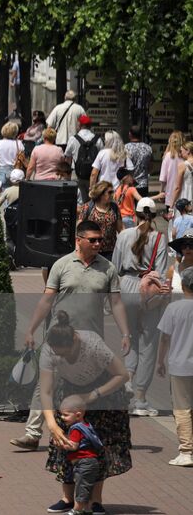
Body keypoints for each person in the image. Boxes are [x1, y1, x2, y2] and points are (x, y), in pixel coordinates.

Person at [14, 220, 132, 450]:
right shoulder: (62, 265)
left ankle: (84, 433)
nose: (99, 243)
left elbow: (116, 303)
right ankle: (32, 433)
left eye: (101, 240)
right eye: (93, 240)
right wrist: (31, 329)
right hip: (58, 338)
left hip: (89, 342)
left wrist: (125, 333)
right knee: (45, 385)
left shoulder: (107, 268)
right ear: (79, 240)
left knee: (85, 383)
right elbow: (47, 300)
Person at [36, 311, 132, 514]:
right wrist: (51, 423)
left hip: (103, 391)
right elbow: (45, 390)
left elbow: (122, 374)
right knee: (65, 443)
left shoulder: (93, 344)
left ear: (74, 340)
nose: (60, 357)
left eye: (65, 353)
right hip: (70, 392)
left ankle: (95, 500)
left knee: (98, 446)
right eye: (57, 353)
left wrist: (91, 396)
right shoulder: (49, 350)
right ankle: (68, 498)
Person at [111, 198, 171, 417]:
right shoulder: (159, 238)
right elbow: (162, 272)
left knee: (129, 338)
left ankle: (126, 388)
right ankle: (140, 397)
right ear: (154, 216)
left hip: (126, 286)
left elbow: (116, 266)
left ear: (134, 214)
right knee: (148, 344)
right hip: (148, 290)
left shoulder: (124, 235)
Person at [156, 265, 193, 467]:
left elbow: (164, 338)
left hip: (180, 365)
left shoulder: (174, 308)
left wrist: (160, 361)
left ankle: (187, 450)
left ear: (184, 285)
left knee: (182, 408)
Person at [57, 396, 106, 515]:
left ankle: (77, 510)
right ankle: (87, 508)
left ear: (78, 415)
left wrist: (61, 443)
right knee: (86, 486)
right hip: (90, 462)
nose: (62, 418)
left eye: (66, 415)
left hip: (83, 462)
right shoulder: (86, 425)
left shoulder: (76, 429)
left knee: (82, 487)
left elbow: (73, 446)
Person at [81, 181, 121, 259]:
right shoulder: (87, 207)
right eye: (110, 192)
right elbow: (80, 228)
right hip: (91, 250)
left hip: (110, 251)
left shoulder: (114, 207)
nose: (112, 194)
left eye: (113, 192)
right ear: (101, 193)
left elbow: (121, 228)